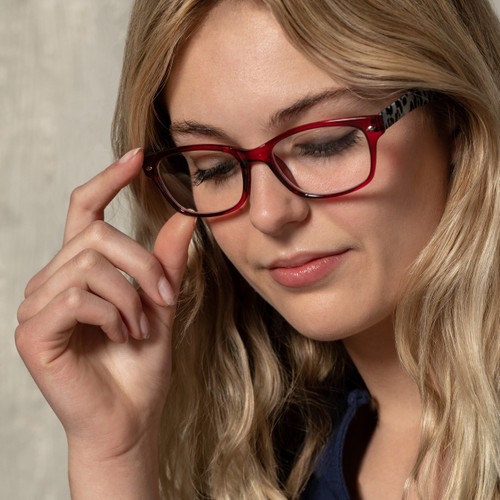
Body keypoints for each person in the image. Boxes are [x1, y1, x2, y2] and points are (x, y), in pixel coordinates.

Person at [15, 0, 500, 498]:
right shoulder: (282, 451)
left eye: (325, 142)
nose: (268, 214)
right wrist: (114, 455)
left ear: (456, 121)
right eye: (213, 167)